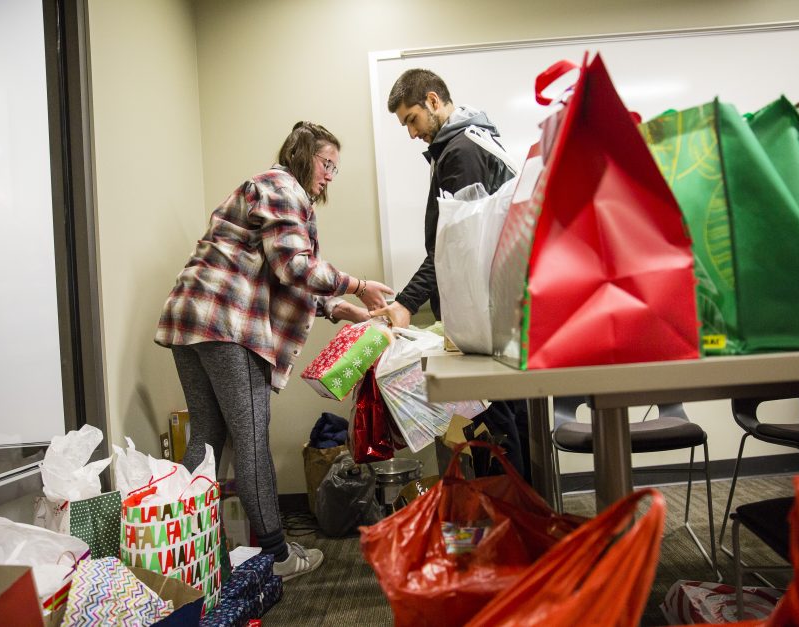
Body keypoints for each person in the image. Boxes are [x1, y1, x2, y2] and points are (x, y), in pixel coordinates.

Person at [155, 121, 393, 582]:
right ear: (303, 156)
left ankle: (184, 552)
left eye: (335, 170)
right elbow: (295, 266)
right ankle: (277, 555)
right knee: (251, 439)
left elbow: (280, 267)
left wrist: (342, 308)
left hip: (191, 316)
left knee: (206, 436)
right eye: (327, 164)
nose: (328, 176)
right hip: (227, 323)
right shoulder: (283, 187)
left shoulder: (264, 189)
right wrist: (359, 286)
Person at [371, 69, 529, 480]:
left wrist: (406, 303)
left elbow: (455, 249)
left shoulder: (461, 151)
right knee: (503, 417)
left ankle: (512, 520)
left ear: (433, 101)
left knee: (496, 425)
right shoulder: (472, 138)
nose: (410, 133)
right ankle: (519, 516)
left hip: (485, 311)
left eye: (412, 120)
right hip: (498, 307)